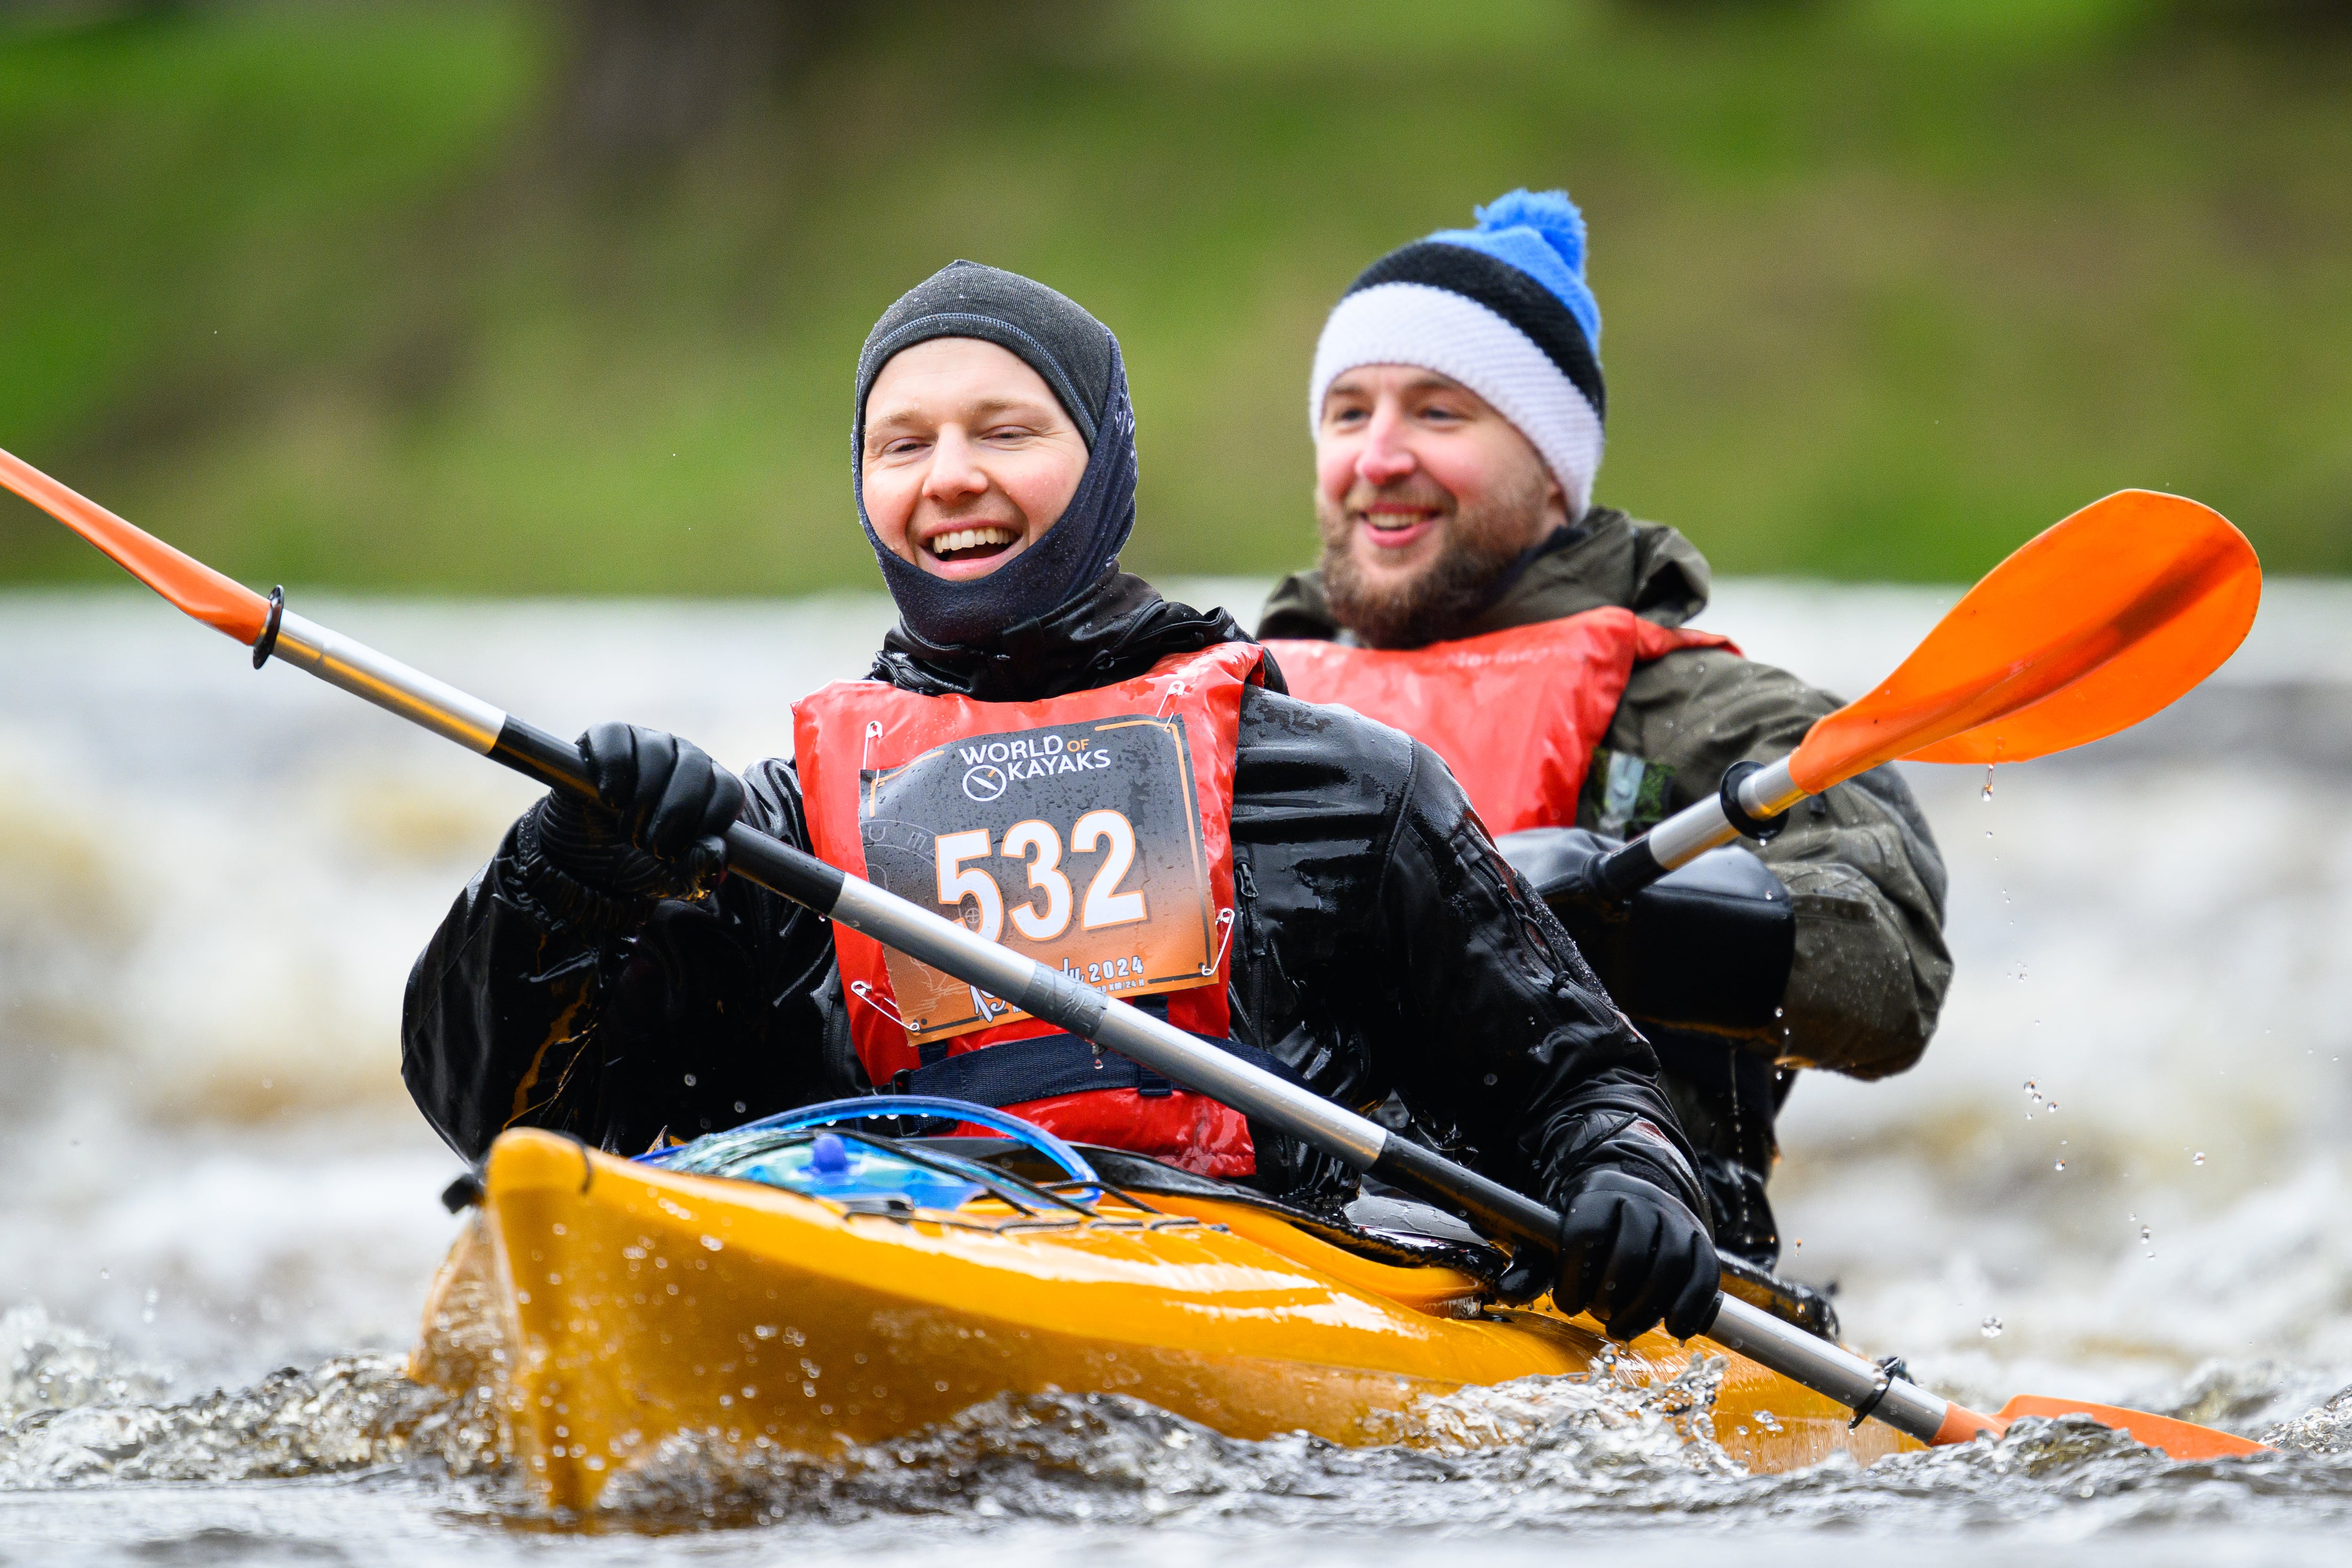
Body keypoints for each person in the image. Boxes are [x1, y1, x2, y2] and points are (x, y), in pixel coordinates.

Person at [402, 260, 1724, 1342]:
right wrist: (571, 865)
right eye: (902, 444)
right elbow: (500, 1118)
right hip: (892, 1257)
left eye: (1006, 432)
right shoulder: (778, 835)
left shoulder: (1334, 784)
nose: (950, 477)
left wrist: (1632, 1176)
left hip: (1267, 1313)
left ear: (1102, 473)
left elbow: (1577, 1076)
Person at [1257, 191, 1952, 1269]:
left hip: (1619, 1256)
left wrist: (1631, 913)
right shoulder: (1247, 713)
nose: (1378, 457)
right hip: (1279, 1232)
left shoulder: (1712, 718)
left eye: (1439, 414)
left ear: (1550, 470)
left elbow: (1894, 975)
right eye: (1348, 414)